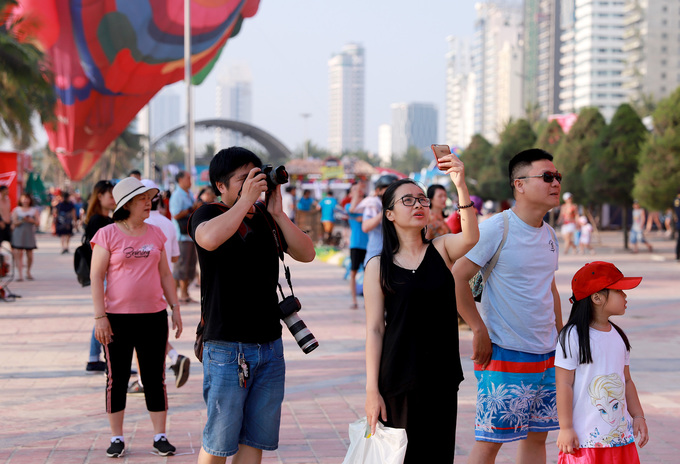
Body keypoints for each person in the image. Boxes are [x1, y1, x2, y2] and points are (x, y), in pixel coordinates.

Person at [190, 147, 315, 464]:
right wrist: (245, 201)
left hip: (270, 345)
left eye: (256, 177)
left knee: (255, 439)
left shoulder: (265, 218)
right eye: (243, 179)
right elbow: (207, 239)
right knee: (219, 441)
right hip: (227, 347)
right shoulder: (208, 213)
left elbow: (307, 252)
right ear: (221, 185)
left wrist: (277, 214)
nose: (253, 184)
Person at [364, 150, 479, 463]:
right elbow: (375, 330)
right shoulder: (378, 266)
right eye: (408, 200)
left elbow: (470, 237)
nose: (418, 205)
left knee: (437, 456)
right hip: (396, 378)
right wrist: (371, 390)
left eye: (422, 200)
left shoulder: (441, 249)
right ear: (389, 214)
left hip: (440, 376)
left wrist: (460, 184)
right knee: (400, 458)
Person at [451, 148, 563, 464]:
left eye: (557, 177)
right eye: (546, 177)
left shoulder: (550, 234)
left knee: (537, 440)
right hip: (504, 353)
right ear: (519, 184)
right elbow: (458, 277)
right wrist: (478, 328)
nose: (555, 183)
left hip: (547, 355)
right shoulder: (497, 228)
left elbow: (549, 287)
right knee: (490, 444)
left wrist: (563, 335)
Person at [91, 177, 182, 458]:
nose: (149, 202)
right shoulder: (107, 234)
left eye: (149, 198)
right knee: (116, 378)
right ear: (127, 203)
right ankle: (117, 438)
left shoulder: (156, 233)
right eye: (143, 198)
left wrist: (175, 307)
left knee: (155, 378)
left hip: (153, 317)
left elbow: (165, 274)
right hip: (116, 319)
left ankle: (160, 436)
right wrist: (99, 317)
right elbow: (96, 276)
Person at [555, 261, 649, 463]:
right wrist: (566, 428)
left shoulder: (619, 336)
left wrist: (638, 416)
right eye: (620, 291)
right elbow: (563, 384)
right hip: (585, 441)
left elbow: (627, 381)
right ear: (597, 297)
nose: (625, 296)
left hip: (620, 438)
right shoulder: (572, 336)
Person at [125, 179, 189, 393]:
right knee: (149, 334)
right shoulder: (168, 224)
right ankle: (171, 359)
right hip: (163, 286)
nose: (144, 202)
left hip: (145, 288)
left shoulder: (137, 228)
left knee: (140, 335)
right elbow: (173, 258)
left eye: (146, 197)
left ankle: (148, 379)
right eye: (140, 198)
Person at [83, 180, 116, 373]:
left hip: (106, 274)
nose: (113, 199)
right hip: (104, 274)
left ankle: (94, 358)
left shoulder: (104, 219)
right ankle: (104, 359)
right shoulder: (98, 221)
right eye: (110, 195)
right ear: (100, 197)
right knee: (104, 316)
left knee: (102, 317)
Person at [169, 170, 200, 303]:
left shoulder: (188, 194)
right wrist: (191, 208)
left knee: (190, 264)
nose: (190, 180)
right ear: (180, 179)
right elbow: (175, 214)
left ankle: (181, 293)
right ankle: (182, 293)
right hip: (181, 236)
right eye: (188, 178)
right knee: (182, 265)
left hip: (189, 235)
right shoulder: (177, 195)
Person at [360, 174, 399, 266]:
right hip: (375, 258)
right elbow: (365, 227)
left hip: (395, 258)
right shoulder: (373, 204)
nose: (394, 192)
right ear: (378, 190)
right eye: (390, 188)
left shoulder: (399, 205)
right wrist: (384, 211)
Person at [346, 182, 368, 309]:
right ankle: (354, 301)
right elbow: (352, 209)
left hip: (367, 245)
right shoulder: (349, 206)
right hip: (355, 244)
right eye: (354, 190)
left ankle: (367, 300)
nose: (358, 191)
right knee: (353, 273)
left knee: (368, 274)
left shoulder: (367, 205)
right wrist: (355, 192)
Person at [11, 193, 40, 281]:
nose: (25, 201)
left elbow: (38, 222)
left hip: (29, 234)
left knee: (30, 255)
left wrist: (31, 220)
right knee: (18, 253)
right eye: (24, 199)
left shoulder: (33, 210)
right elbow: (14, 223)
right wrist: (22, 220)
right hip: (19, 233)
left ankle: (28, 271)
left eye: (27, 199)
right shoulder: (16, 210)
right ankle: (20, 274)